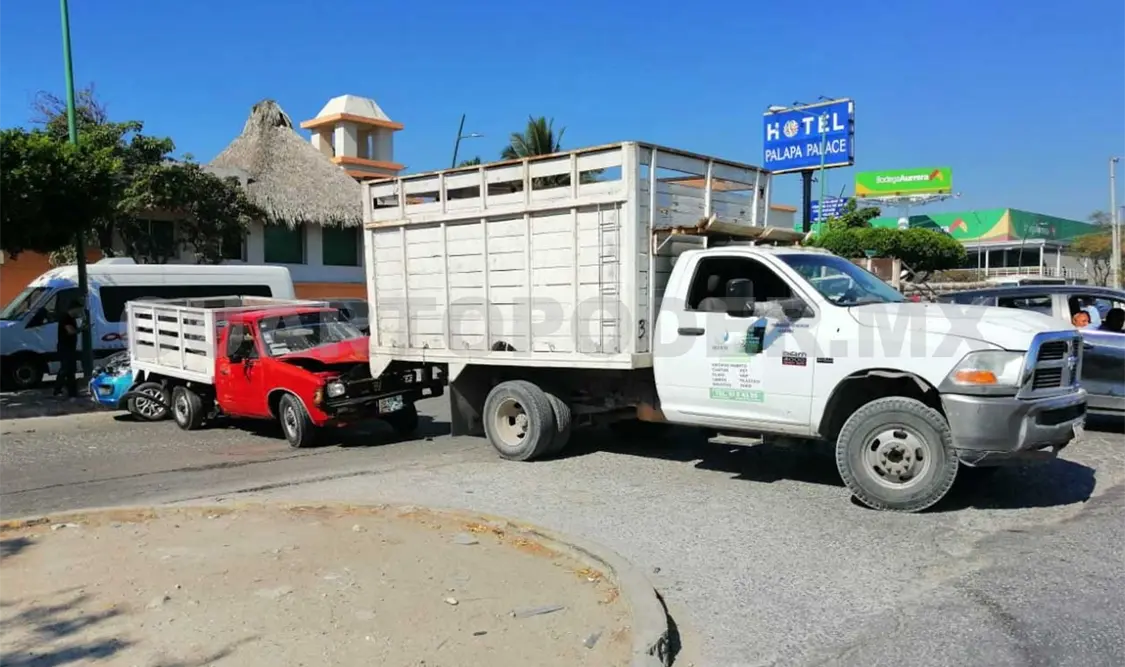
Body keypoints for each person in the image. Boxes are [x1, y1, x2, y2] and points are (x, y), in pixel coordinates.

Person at [53, 299, 81, 398]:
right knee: (65, 369)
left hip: (70, 347)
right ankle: (57, 390)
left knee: (71, 370)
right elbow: (70, 331)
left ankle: (72, 392)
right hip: (65, 348)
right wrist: (81, 329)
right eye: (79, 310)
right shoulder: (65, 318)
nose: (79, 312)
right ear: (74, 309)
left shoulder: (71, 318)